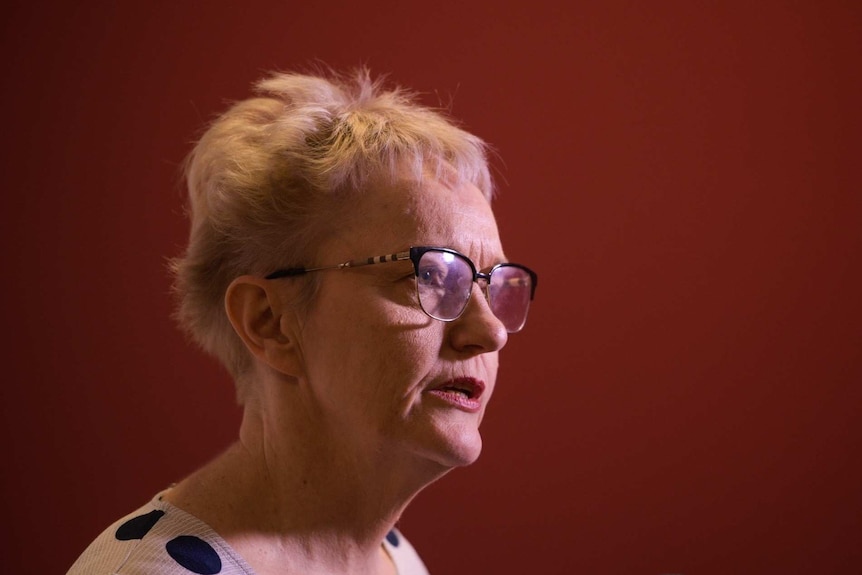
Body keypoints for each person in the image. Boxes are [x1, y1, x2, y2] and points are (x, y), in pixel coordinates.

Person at [67, 67, 538, 575]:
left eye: (491, 285)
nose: (489, 332)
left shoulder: (394, 559)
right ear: (270, 322)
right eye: (430, 277)